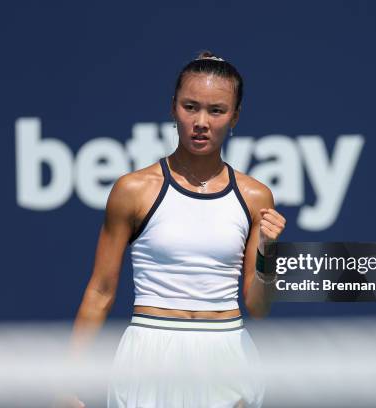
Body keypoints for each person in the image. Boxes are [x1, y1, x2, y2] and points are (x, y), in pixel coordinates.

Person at [66, 51, 286, 408]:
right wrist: (67, 385)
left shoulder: (256, 196)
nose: (201, 121)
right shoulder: (132, 190)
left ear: (235, 117)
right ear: (172, 108)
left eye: (216, 110)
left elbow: (258, 307)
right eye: (190, 107)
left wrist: (267, 252)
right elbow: (100, 291)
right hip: (148, 356)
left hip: (227, 354)